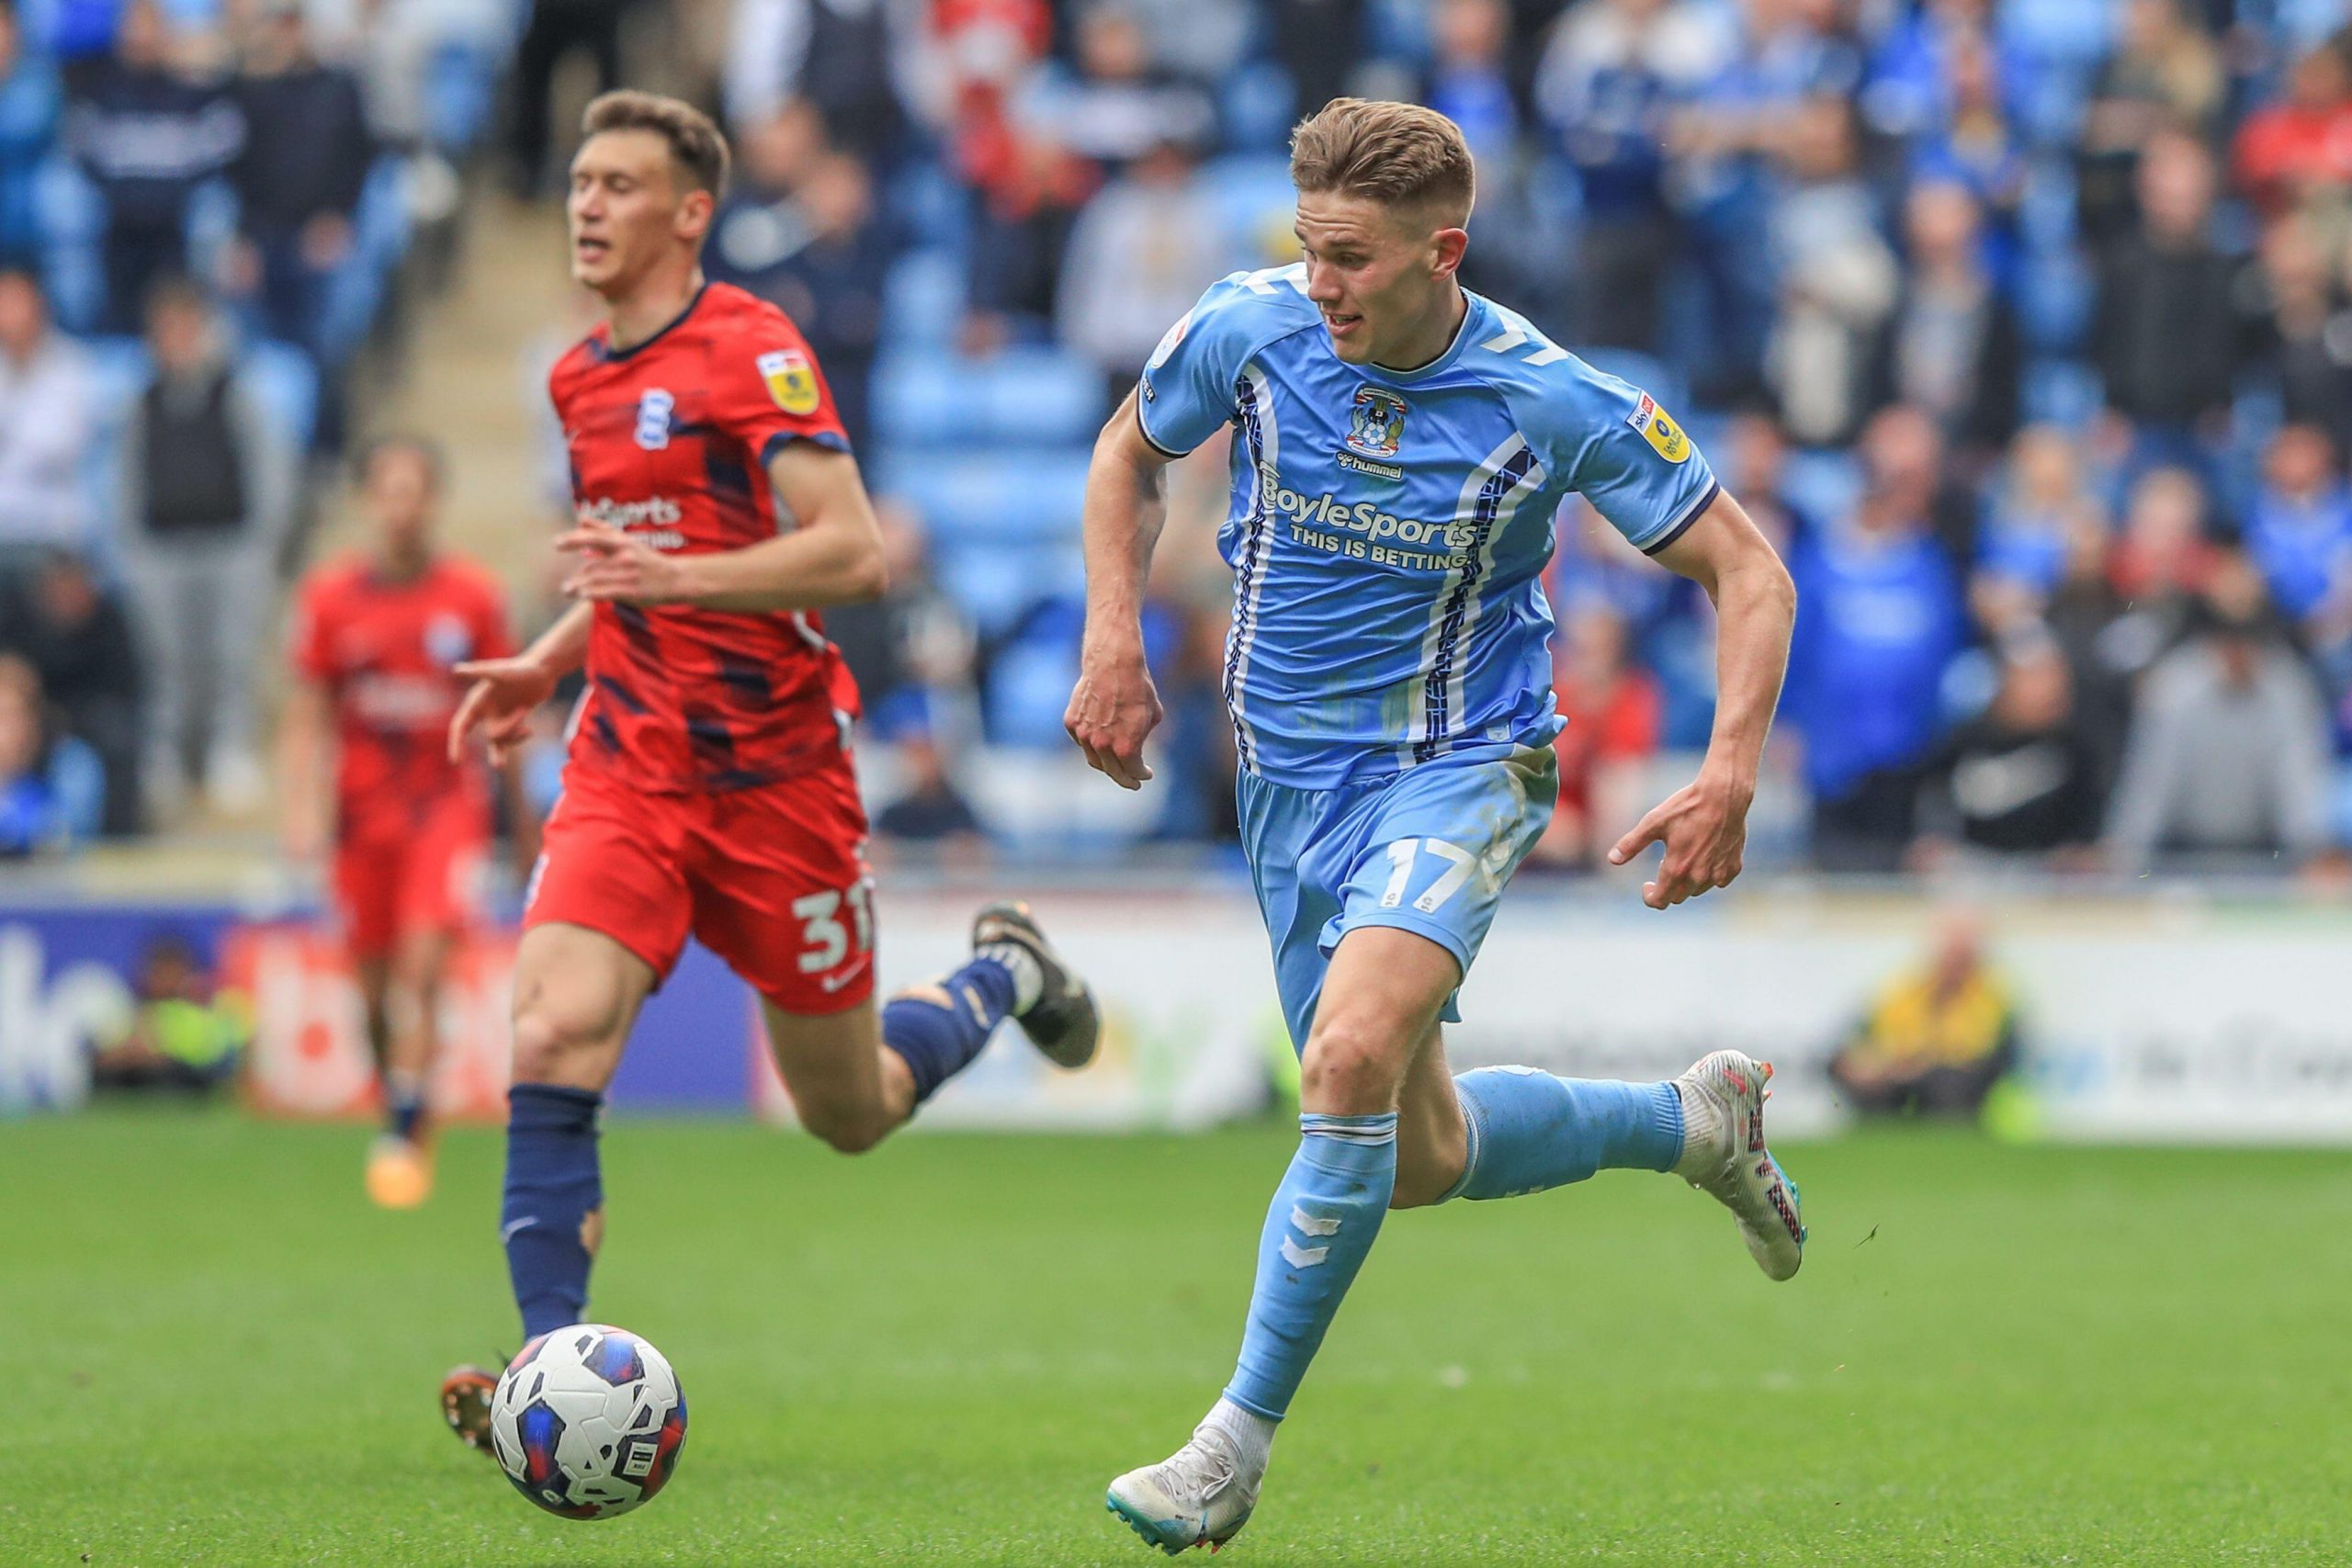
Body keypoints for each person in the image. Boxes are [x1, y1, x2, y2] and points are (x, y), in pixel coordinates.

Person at [1064, 99, 1804, 1553]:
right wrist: (1112, 638)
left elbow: (1751, 571)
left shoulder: (1549, 396)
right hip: (1285, 781)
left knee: (1345, 1053)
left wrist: (1727, 773)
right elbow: (1125, 455)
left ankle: (1230, 1445)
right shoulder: (1249, 325)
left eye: (1348, 257)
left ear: (1441, 251)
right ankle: (1688, 1124)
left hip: (1460, 763)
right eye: (1306, 248)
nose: (1320, 282)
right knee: (1412, 1155)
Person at [433, 92, 1100, 1452]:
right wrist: (553, 657)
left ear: (691, 213)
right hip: (628, 759)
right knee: (553, 1029)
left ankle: (1002, 973)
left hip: (778, 776)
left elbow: (853, 550)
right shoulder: (576, 378)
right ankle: (542, 1367)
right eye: (578, 180)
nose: (587, 205)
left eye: (620, 183)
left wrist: (671, 578)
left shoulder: (753, 346)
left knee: (848, 1111)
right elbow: (632, 552)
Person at [281, 435, 526, 1209]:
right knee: (372, 988)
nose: (401, 506)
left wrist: (522, 824)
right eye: (387, 490)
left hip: (444, 811)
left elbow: (503, 718)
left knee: (423, 968)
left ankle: (404, 1134)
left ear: (434, 500)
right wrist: (301, 811)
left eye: (414, 490)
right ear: (367, 502)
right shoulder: (331, 599)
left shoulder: (472, 599)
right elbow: (308, 714)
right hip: (362, 819)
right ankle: (402, 1097)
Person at [1827, 910, 2018, 1119]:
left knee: (1946, 1081)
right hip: (1900, 1068)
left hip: (1953, 1077)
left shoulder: (1991, 997)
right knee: (1849, 1066)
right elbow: (1874, 1031)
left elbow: (1973, 1053)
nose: (1952, 962)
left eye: (1960, 954)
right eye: (1949, 952)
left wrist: (1915, 1061)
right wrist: (1873, 1060)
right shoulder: (1906, 988)